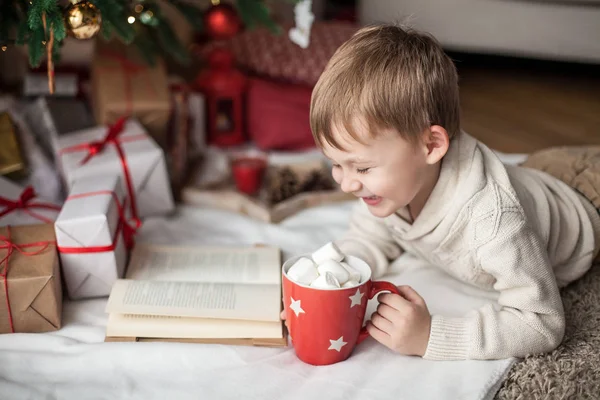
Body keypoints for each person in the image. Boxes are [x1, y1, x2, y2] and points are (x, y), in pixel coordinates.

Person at [295, 23, 600, 361]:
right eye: (336, 165)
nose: (347, 184)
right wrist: (326, 285)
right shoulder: (393, 188)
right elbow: (368, 239)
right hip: (537, 174)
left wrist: (430, 336)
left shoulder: (494, 221)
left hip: (586, 198)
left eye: (362, 168)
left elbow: (542, 323)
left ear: (431, 146)